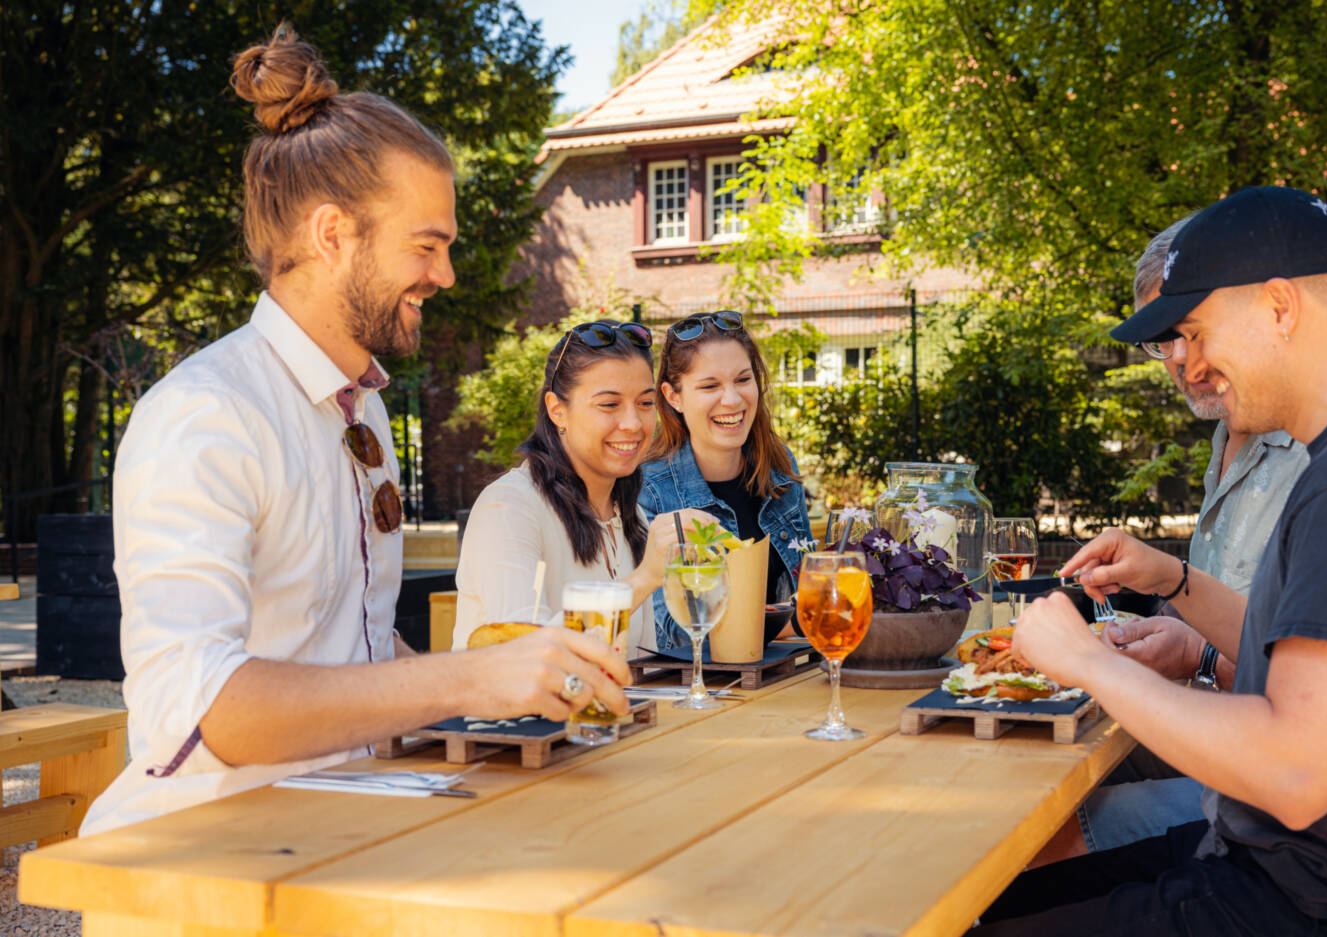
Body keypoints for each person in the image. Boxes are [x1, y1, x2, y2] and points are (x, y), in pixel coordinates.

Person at [82, 27, 629, 836]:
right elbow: (200, 707)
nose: (444, 275)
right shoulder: (204, 415)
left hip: (352, 813)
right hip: (210, 848)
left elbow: (353, 654)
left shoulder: (360, 404)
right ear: (332, 233)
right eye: (427, 245)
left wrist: (519, 687)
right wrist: (467, 681)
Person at [983, 185, 1327, 935]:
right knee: (993, 898)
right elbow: (1294, 654)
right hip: (1304, 870)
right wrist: (1176, 579)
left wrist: (1089, 663)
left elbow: (1295, 770)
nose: (1189, 362)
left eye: (1195, 330)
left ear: (1280, 307)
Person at [1047, 215, 1311, 861]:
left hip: (1275, 785)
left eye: (1190, 332)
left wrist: (1194, 655)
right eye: (1162, 339)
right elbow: (1226, 608)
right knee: (1024, 767)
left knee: (1039, 834)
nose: (1176, 359)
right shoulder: (1231, 433)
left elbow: (1315, 693)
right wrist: (1162, 610)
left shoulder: (1320, 455)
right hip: (1223, 732)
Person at [451, 320, 715, 653]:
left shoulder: (629, 513)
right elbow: (526, 651)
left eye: (645, 404)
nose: (633, 423)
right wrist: (644, 578)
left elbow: (641, 666)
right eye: (609, 405)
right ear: (557, 410)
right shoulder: (507, 508)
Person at [637, 310, 813, 651]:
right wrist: (794, 623)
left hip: (788, 679)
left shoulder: (779, 467)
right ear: (673, 397)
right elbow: (674, 633)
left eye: (743, 380)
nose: (732, 400)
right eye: (709, 386)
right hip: (701, 692)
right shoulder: (648, 489)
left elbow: (810, 588)